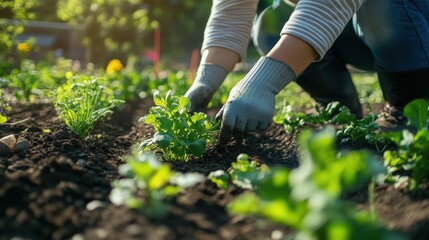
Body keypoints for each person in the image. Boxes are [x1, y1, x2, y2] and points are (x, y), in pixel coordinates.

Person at [184, 0, 429, 141]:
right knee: (272, 24)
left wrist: (264, 82)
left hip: (415, 21)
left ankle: (407, 107)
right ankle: (341, 112)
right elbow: (231, 14)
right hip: (362, 29)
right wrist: (205, 83)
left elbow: (329, 5)